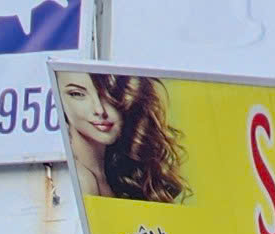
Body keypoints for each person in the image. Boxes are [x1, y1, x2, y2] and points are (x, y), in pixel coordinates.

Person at [59, 70, 186, 204]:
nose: (99, 110)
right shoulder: (81, 179)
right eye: (77, 94)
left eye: (111, 93)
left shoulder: (121, 172)